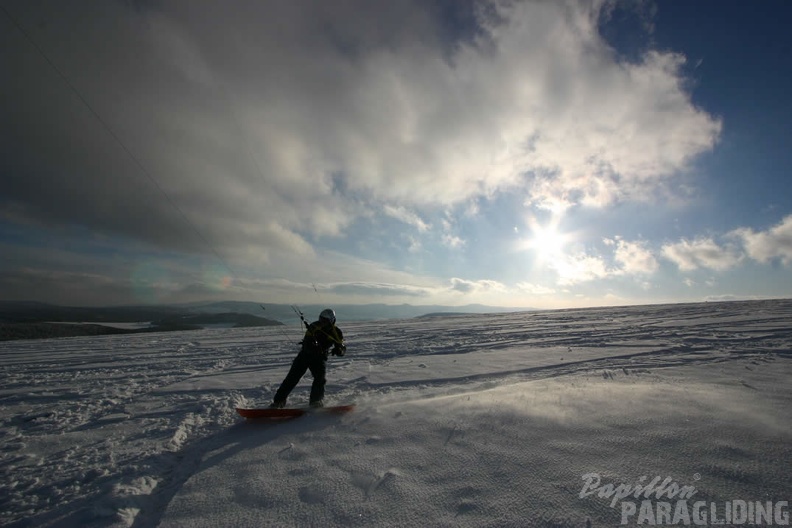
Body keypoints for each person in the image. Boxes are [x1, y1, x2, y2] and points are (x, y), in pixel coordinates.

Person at [270, 308, 346, 408]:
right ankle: (278, 401)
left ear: (331, 321)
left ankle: (316, 402)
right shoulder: (314, 326)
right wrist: (312, 345)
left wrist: (339, 351)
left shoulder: (337, 332)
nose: (322, 322)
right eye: (321, 319)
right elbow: (307, 340)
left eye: (325, 320)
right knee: (291, 378)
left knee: (320, 379)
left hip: (319, 359)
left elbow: (341, 347)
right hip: (305, 356)